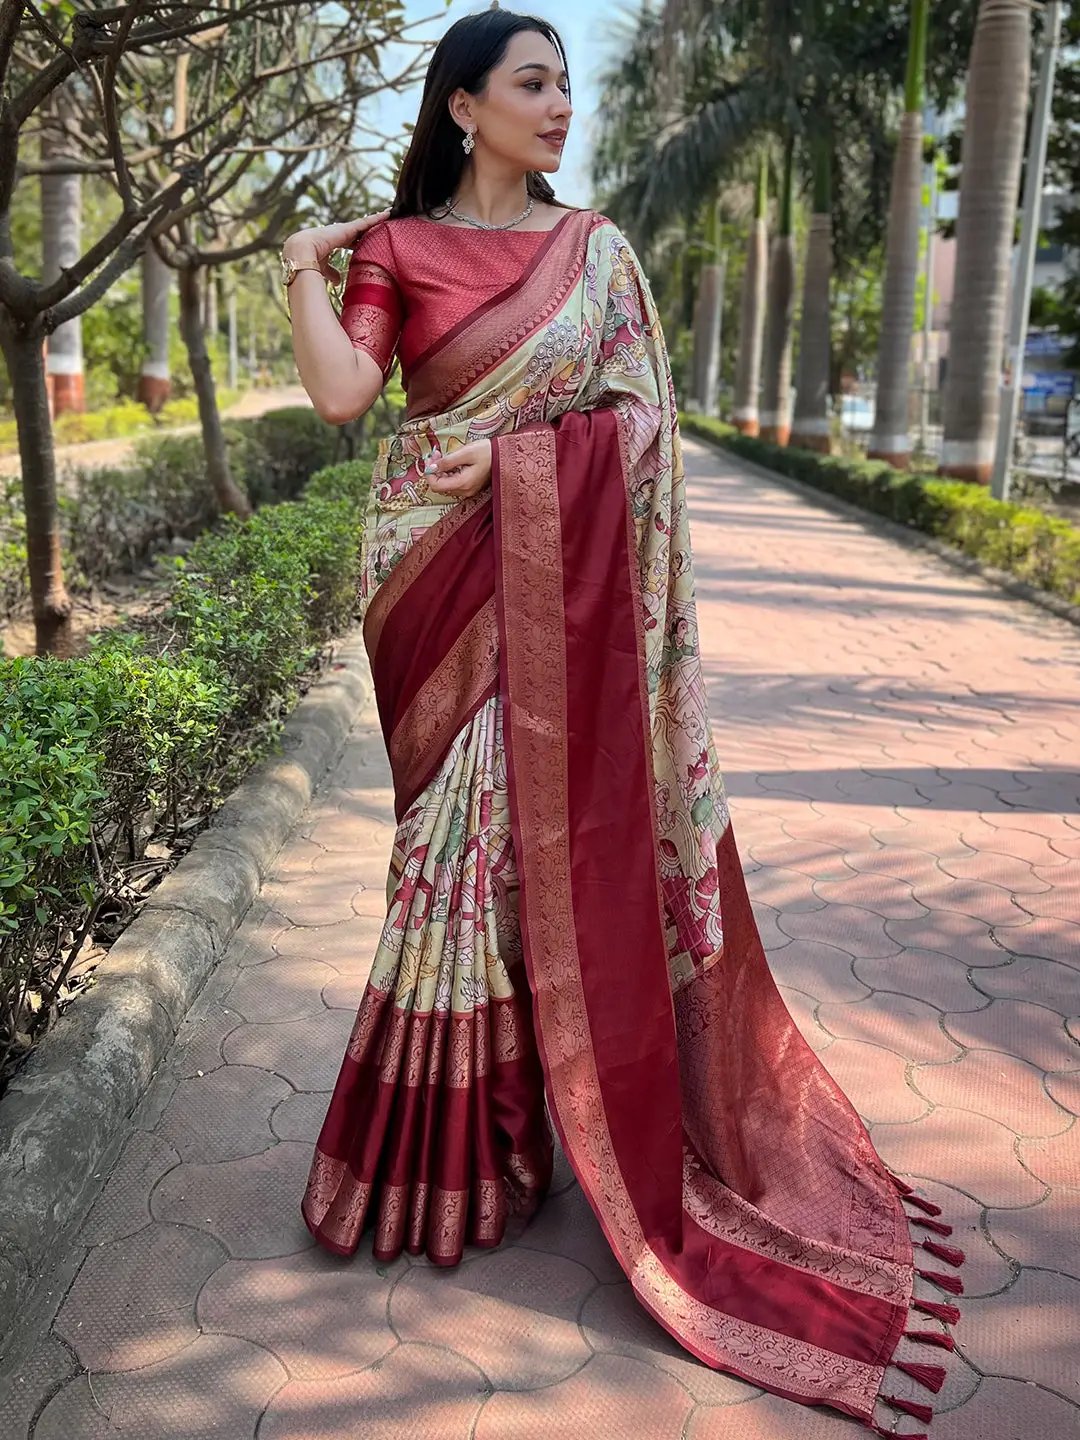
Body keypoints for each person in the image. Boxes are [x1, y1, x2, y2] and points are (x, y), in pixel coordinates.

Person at [283, 9, 962, 1434]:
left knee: (525, 861)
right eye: (532, 82)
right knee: (449, 867)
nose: (561, 104)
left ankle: (516, 1140)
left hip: (554, 589)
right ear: (462, 106)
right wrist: (304, 271)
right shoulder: (398, 253)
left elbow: (641, 432)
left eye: (568, 83)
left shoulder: (598, 255)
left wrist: (516, 465)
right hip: (437, 600)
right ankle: (443, 1156)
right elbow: (350, 399)